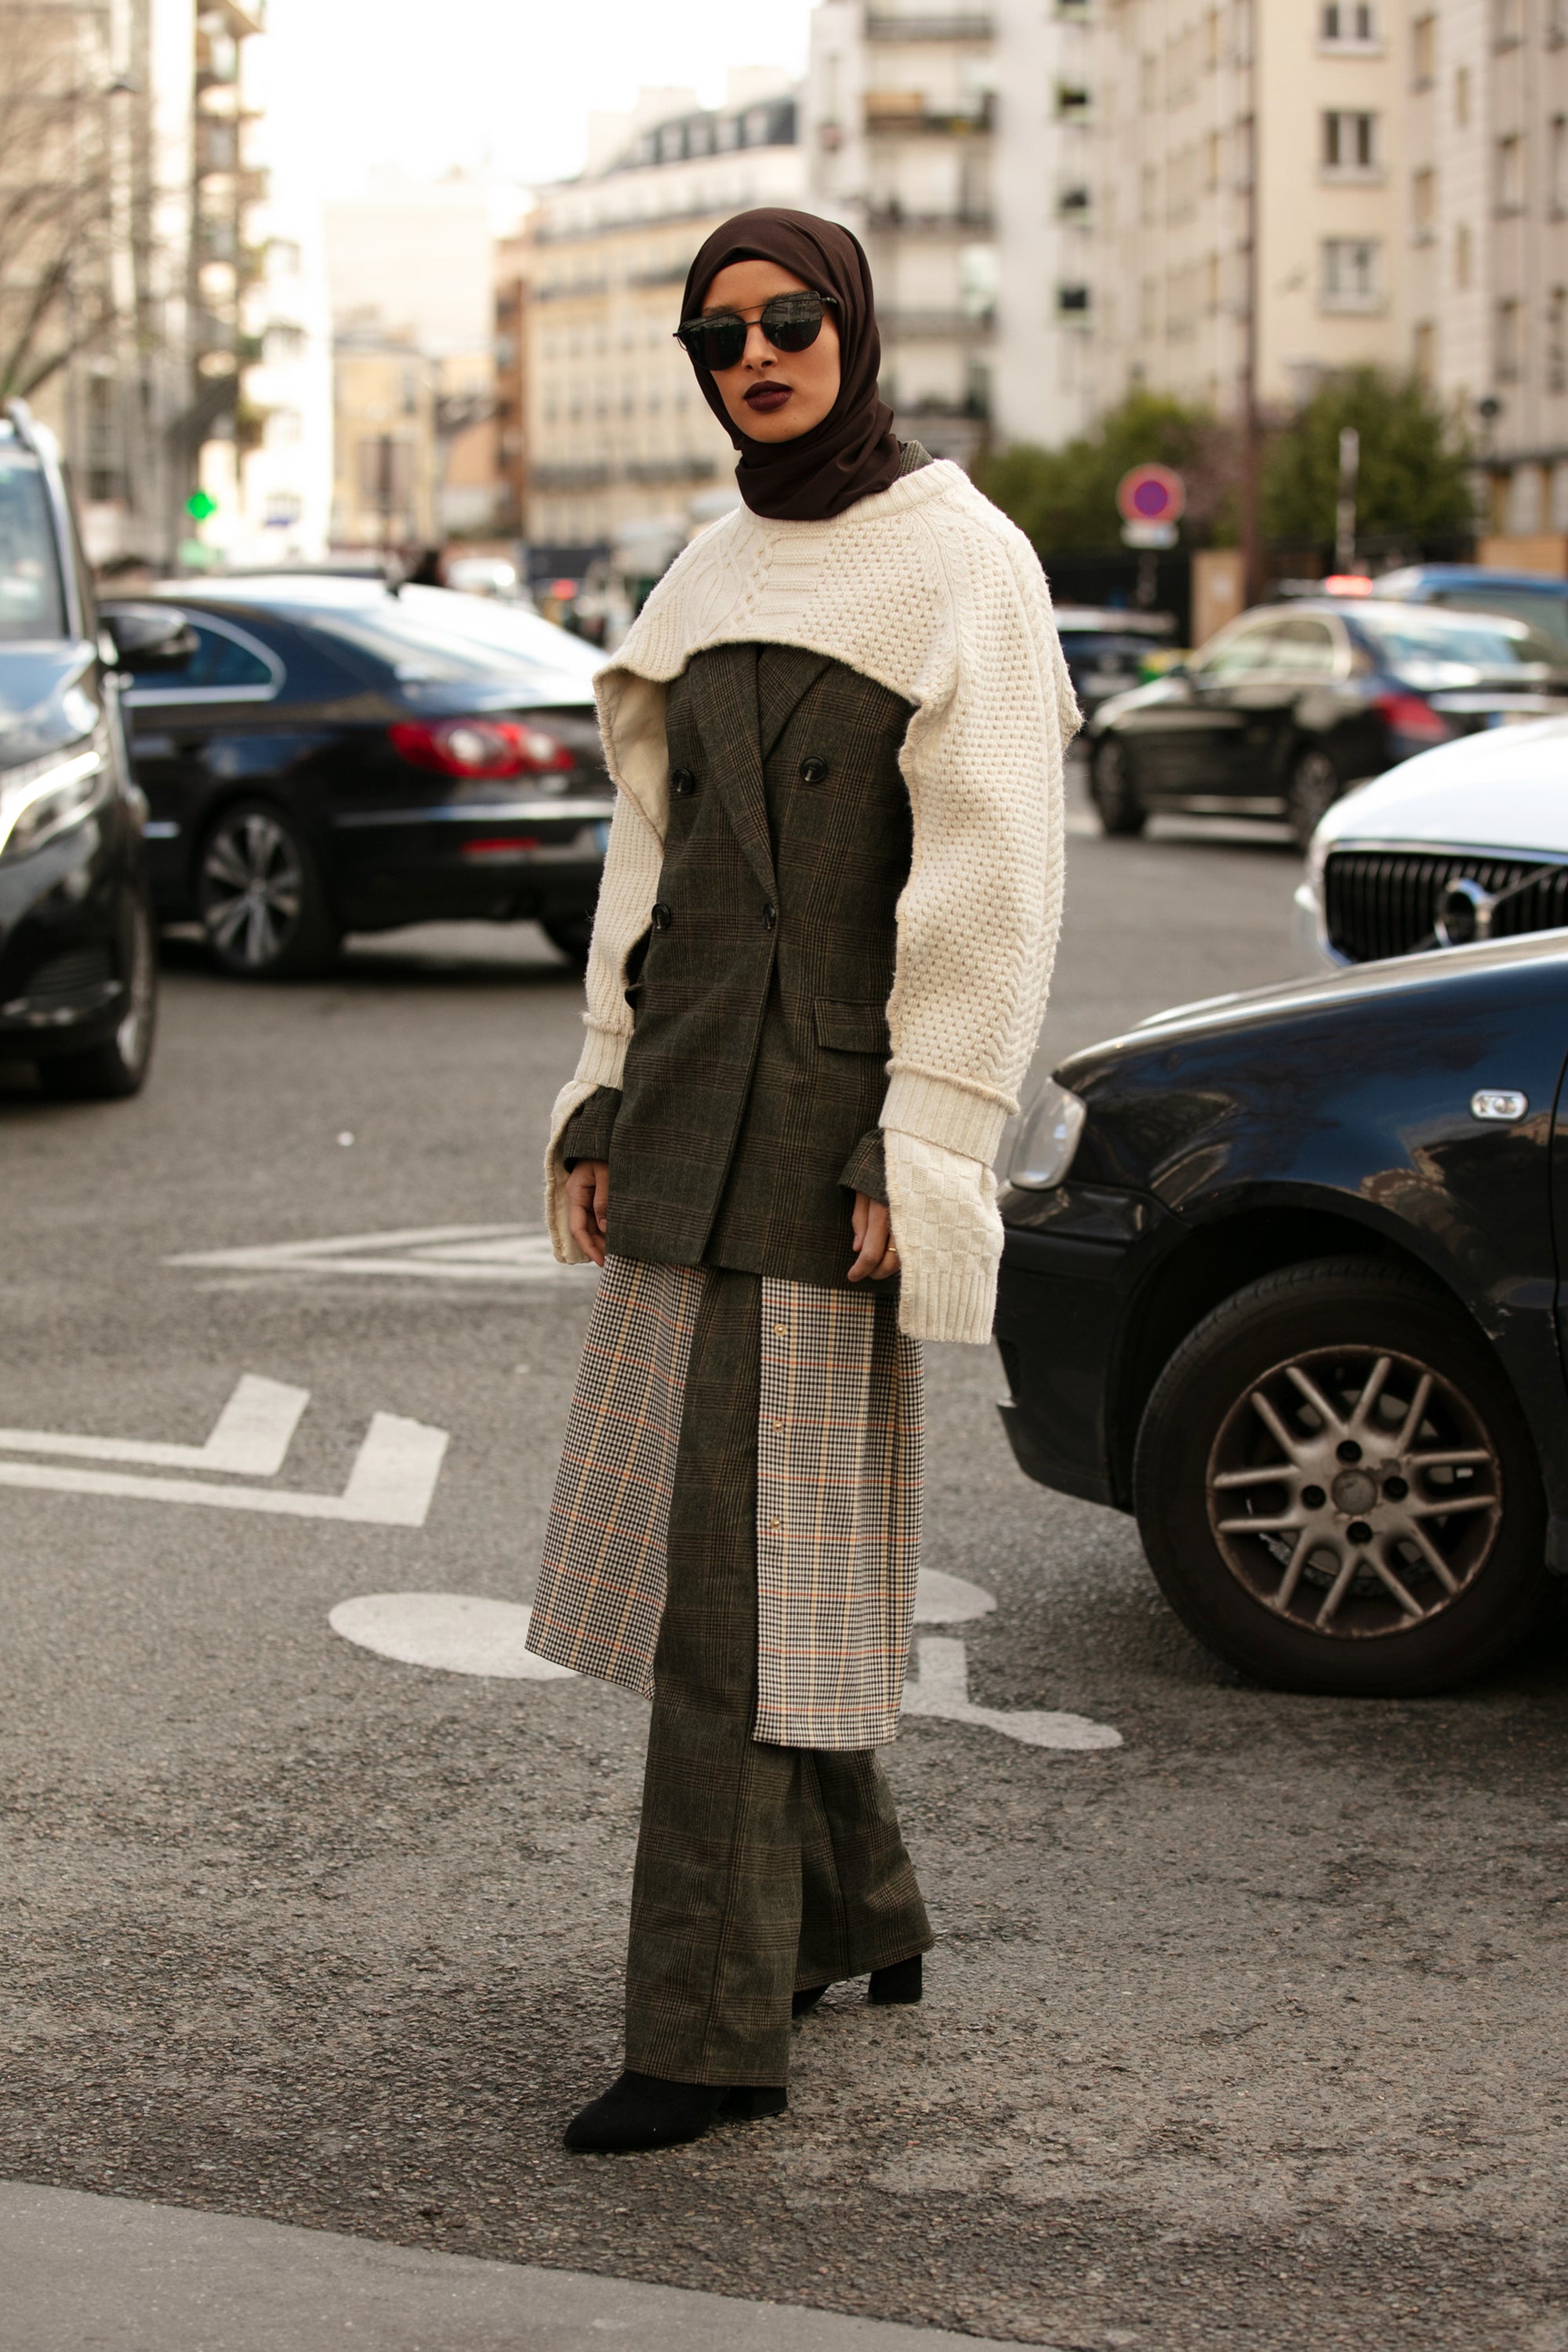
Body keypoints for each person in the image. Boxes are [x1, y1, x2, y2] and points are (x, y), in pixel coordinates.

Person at [528, 208, 1078, 2155]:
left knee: (737, 1594)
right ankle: (858, 1910)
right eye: (718, 335)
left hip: (830, 1133)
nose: (753, 355)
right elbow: (648, 862)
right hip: (685, 1114)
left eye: (785, 323)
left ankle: (703, 2026)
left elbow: (996, 885)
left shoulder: (963, 562)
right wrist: (600, 1097)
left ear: (849, 327)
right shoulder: (711, 564)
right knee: (739, 1556)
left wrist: (921, 1145)